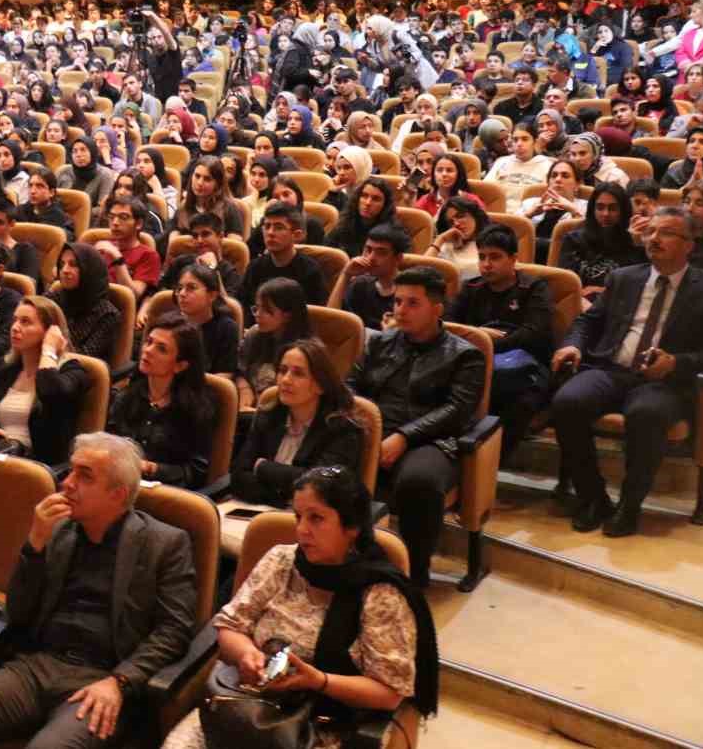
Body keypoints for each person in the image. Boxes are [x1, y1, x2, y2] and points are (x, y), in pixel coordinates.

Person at [0, 432, 198, 749]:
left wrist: (120, 682)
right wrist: (34, 546)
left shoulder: (165, 543)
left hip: (103, 678)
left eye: (84, 476)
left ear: (118, 495)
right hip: (38, 666)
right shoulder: (57, 529)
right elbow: (17, 613)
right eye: (71, 470)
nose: (67, 482)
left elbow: (174, 631)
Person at [163, 467, 438, 749]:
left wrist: (317, 681)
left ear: (351, 528)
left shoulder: (380, 592)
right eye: (298, 517)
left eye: (316, 518)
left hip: (320, 724)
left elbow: (389, 692)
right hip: (244, 707)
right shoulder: (282, 560)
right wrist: (247, 655)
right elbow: (230, 626)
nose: (302, 529)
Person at [550, 206, 703, 537]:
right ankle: (594, 497)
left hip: (663, 381)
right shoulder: (624, 277)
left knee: (646, 414)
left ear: (689, 244)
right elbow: (588, 321)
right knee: (567, 402)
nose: (654, 239)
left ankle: (629, 505)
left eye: (666, 233)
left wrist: (677, 362)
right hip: (611, 367)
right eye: (650, 231)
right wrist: (574, 344)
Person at [346, 267, 485, 586]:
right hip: (374, 429)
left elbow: (457, 410)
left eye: (412, 303)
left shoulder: (465, 355)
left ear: (437, 309)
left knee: (418, 482)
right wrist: (362, 422)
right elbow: (351, 384)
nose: (400, 310)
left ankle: (414, 573)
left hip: (432, 440)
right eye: (397, 302)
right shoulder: (381, 342)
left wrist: (404, 437)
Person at [445, 224, 554, 457]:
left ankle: (492, 462)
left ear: (513, 259)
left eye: (495, 257)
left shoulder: (534, 288)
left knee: (521, 401)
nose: (486, 264)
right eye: (482, 257)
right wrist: (483, 338)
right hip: (477, 360)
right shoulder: (471, 287)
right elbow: (448, 324)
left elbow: (532, 333)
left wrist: (481, 338)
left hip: (526, 366)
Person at [232, 340, 365, 506]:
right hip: (262, 509)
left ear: (320, 385)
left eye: (298, 373)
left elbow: (322, 487)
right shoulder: (267, 416)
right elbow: (239, 476)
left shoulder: (342, 428)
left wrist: (263, 467)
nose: (285, 380)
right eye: (282, 371)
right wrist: (279, 498)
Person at [0, 296, 91, 464]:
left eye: (26, 322)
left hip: (37, 468)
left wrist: (49, 349)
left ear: (51, 331)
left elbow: (50, 392)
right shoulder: (5, 369)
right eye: (15, 320)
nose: (15, 327)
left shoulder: (73, 371)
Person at [108, 315, 215, 487]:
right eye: (149, 342)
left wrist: (152, 468)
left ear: (180, 365)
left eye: (161, 349)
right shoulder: (125, 397)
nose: (148, 350)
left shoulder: (196, 408)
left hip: (166, 498)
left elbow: (196, 472)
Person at [238, 201, 328, 322]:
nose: (270, 233)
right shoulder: (255, 267)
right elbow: (243, 309)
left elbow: (315, 317)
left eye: (279, 227)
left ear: (296, 235)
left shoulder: (310, 271)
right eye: (267, 226)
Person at [235, 277, 314, 411]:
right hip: (248, 410)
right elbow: (238, 370)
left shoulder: (304, 351)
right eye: (256, 308)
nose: (257, 315)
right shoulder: (254, 334)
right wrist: (244, 389)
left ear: (287, 315)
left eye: (266, 310)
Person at [48, 241, 123, 363]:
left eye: (73, 264)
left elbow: (83, 359)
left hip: (76, 374)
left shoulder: (107, 315)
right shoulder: (54, 297)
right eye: (62, 264)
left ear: (89, 269)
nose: (65, 270)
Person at [335, 222, 411, 333]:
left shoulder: (411, 293)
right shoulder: (360, 284)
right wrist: (345, 275)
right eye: (368, 250)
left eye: (381, 253)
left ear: (398, 258)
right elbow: (332, 323)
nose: (371, 258)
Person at [170, 261, 239, 376]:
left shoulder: (227, 328)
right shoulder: (169, 323)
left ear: (212, 295)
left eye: (191, 288)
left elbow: (224, 376)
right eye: (180, 288)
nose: (182, 294)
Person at [96, 197, 161, 301]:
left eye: (123, 217)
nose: (115, 223)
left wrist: (117, 258)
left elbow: (132, 295)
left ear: (139, 224)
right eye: (111, 217)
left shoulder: (148, 255)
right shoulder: (101, 247)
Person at [327, 177, 397, 258]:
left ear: (385, 205)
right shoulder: (344, 224)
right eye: (364, 196)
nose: (368, 203)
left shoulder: (392, 233)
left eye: (376, 199)